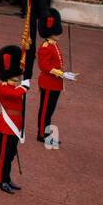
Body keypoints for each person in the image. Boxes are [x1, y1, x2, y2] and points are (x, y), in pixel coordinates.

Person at [0, 45, 28, 193]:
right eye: (16, 76)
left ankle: (6, 178)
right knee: (4, 155)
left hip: (15, 125)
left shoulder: (14, 86)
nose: (18, 77)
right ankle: (0, 180)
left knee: (11, 154)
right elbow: (14, 94)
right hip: (7, 125)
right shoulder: (3, 87)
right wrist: (25, 86)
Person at [35, 8, 72, 142]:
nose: (59, 34)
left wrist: (65, 73)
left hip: (55, 84)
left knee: (50, 111)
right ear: (51, 32)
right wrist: (61, 73)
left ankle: (46, 133)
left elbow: (57, 64)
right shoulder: (45, 47)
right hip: (48, 83)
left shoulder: (54, 45)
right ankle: (42, 134)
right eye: (56, 32)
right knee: (45, 110)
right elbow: (44, 66)